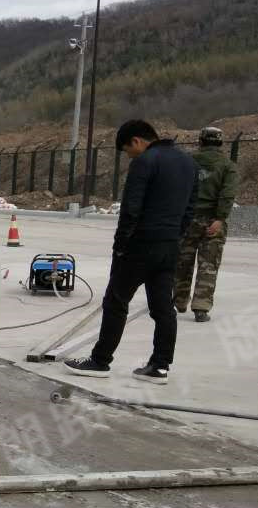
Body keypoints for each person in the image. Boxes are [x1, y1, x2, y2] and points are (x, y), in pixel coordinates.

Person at [65, 120, 197, 385]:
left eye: (128, 150)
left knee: (116, 301)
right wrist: (175, 235)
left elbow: (131, 209)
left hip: (141, 245)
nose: (129, 156)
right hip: (170, 246)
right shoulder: (188, 164)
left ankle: (100, 361)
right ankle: (160, 367)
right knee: (163, 308)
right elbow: (191, 209)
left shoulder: (146, 162)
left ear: (137, 141)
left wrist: (121, 245)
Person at [175, 126, 238, 322]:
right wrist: (220, 218)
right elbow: (227, 194)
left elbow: (178, 189)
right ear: (220, 142)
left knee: (182, 260)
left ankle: (179, 301)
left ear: (200, 141)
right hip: (213, 221)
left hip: (188, 218)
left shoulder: (187, 162)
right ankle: (201, 308)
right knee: (208, 265)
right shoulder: (228, 165)